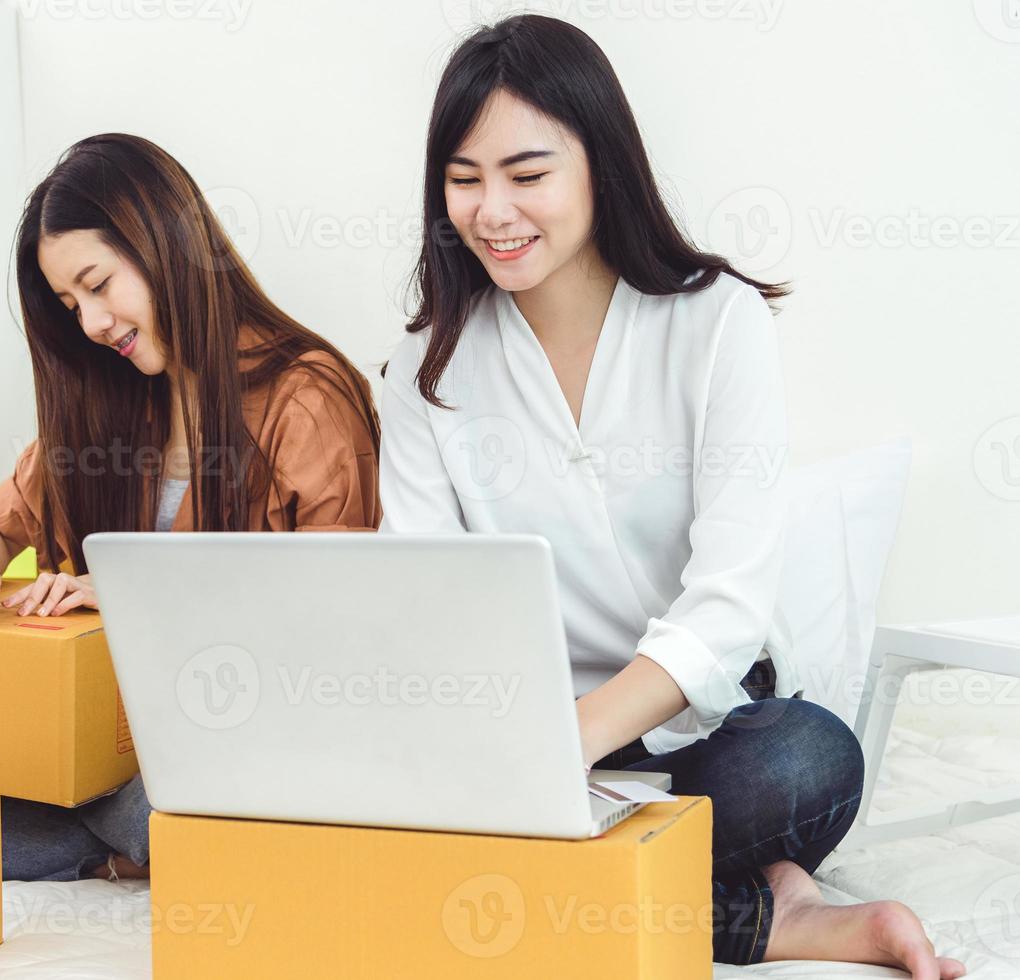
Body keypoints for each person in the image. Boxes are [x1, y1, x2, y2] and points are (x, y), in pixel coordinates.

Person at [378, 15, 964, 978]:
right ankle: (773, 916)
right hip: (516, 733)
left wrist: (572, 746)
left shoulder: (715, 323)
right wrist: (502, 753)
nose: (493, 209)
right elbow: (426, 595)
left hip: (699, 735)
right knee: (368, 806)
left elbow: (728, 603)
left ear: (600, 166)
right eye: (464, 178)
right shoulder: (423, 368)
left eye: (527, 175)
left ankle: (581, 860)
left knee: (805, 763)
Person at [0, 133, 381, 882]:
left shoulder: (305, 393)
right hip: (113, 744)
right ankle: (120, 839)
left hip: (243, 735)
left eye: (100, 284)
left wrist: (144, 597)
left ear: (167, 241)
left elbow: (339, 612)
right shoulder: (108, 400)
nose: (93, 324)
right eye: (71, 305)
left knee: (167, 805)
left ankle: (127, 836)